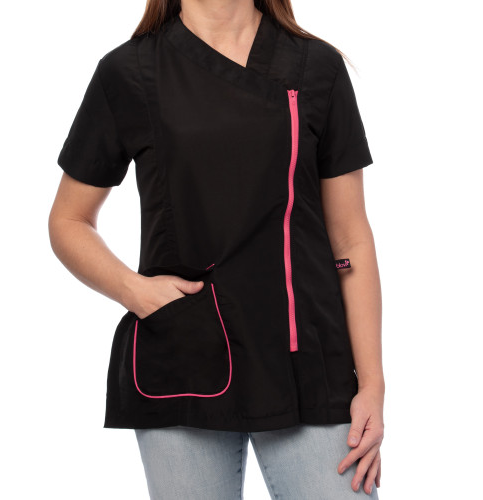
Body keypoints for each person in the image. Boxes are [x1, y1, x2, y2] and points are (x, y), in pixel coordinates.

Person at [49, 0, 384, 498]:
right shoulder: (129, 71)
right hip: (183, 358)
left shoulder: (316, 67)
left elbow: (350, 238)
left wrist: (372, 383)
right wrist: (133, 291)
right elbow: (68, 220)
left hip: (308, 364)